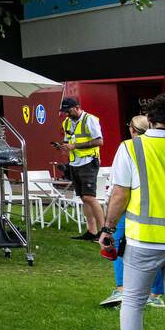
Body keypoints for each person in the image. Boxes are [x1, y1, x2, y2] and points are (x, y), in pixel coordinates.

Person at [99, 92, 165, 330]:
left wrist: (107, 229)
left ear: (150, 119)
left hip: (143, 240)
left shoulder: (132, 148)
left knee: (133, 302)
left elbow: (120, 195)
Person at [101, 115, 165, 308]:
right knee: (159, 252)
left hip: (130, 207)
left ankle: (122, 290)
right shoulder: (160, 149)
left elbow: (119, 187)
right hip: (157, 209)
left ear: (132, 130)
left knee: (117, 244)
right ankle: (154, 294)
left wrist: (108, 221)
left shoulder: (129, 148)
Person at [60, 96, 106, 241]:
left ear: (77, 108)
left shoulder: (89, 119)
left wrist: (74, 146)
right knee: (83, 198)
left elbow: (100, 141)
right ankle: (91, 231)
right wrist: (64, 147)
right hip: (75, 162)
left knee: (89, 197)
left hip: (88, 161)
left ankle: (104, 231)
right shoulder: (67, 122)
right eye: (64, 112)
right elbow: (69, 140)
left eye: (68, 111)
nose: (66, 114)